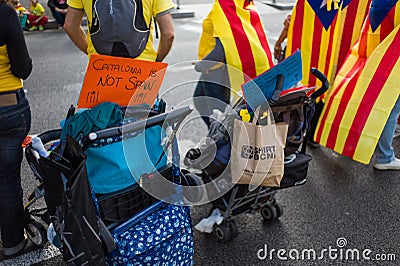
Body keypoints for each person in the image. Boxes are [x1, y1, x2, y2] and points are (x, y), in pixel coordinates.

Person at [193, 0, 274, 127]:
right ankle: (217, 136)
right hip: (212, 69)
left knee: (218, 114)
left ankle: (218, 140)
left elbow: (221, 50)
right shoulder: (232, 5)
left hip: (216, 70)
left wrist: (200, 65)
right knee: (200, 102)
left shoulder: (224, 6)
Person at [0, 0, 33, 257]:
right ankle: (13, 243)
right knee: (8, 179)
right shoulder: (6, 14)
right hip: (8, 107)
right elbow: (23, 68)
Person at [63, 0, 174, 62]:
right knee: (145, 104)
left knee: (102, 104)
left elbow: (70, 26)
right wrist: (157, 60)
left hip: (100, 68)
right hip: (142, 68)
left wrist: (91, 53)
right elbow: (169, 34)